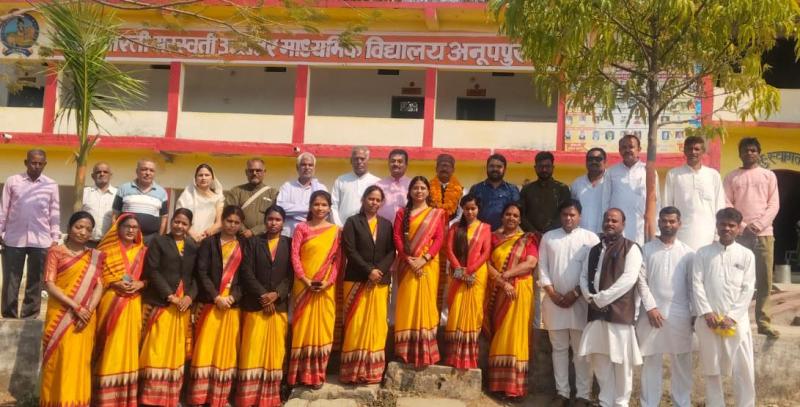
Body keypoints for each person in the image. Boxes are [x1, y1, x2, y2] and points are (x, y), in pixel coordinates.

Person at [578, 208, 643, 406]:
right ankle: (605, 401)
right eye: (607, 220)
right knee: (600, 359)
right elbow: (583, 276)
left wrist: (602, 298)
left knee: (622, 362)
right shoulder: (594, 250)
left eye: (615, 220)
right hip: (596, 312)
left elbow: (629, 279)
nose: (610, 223)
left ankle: (621, 402)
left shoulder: (631, 248)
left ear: (623, 224)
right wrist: (589, 297)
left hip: (619, 314)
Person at [39, 212, 103, 407]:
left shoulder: (94, 256)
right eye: (79, 227)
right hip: (61, 314)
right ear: (69, 227)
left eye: (88, 229)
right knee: (58, 360)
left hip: (85, 318)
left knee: (79, 361)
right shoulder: (56, 252)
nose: (83, 232)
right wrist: (76, 307)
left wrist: (88, 310)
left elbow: (99, 285)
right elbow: (50, 284)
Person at [693, 208, 756, 407]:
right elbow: (696, 283)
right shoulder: (703, 253)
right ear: (717, 225)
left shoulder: (746, 255)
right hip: (709, 321)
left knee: (743, 368)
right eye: (723, 224)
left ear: (738, 228)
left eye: (731, 225)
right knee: (711, 369)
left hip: (737, 322)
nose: (726, 228)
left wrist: (733, 316)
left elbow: (748, 288)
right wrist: (706, 312)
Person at [538, 200, 599, 407]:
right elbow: (543, 268)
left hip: (580, 303)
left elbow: (594, 271)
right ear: (560, 216)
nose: (568, 218)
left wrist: (576, 293)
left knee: (581, 352)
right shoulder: (549, 237)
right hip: (554, 302)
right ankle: (562, 393)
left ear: (579, 216)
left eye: (572, 215)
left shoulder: (590, 238)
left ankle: (583, 395)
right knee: (559, 349)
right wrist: (552, 293)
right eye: (565, 214)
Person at [139, 208, 199, 406]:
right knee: (156, 349)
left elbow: (197, 275)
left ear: (189, 226)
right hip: (162, 303)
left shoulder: (193, 246)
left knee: (176, 352)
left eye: (184, 223)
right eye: (176, 222)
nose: (179, 226)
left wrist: (190, 296)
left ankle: (170, 397)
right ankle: (150, 397)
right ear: (171, 221)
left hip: (182, 307)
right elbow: (153, 271)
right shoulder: (158, 241)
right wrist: (170, 296)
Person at [637, 207, 695, 407]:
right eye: (664, 221)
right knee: (651, 362)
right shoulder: (646, 249)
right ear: (659, 222)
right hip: (651, 314)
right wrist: (651, 308)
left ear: (679, 224)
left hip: (680, 314)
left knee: (682, 363)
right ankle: (649, 404)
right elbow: (641, 281)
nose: (668, 225)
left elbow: (692, 286)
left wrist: (694, 314)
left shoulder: (688, 253)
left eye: (672, 221)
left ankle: (682, 403)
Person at [189, 205, 247, 406]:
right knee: (205, 348)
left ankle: (219, 396)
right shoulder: (209, 243)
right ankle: (199, 397)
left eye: (236, 222)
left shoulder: (244, 244)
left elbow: (246, 275)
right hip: (210, 303)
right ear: (222, 221)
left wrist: (233, 297)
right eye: (229, 221)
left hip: (231, 305)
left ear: (241, 224)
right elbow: (201, 272)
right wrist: (216, 296)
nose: (232, 225)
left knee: (226, 351)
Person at [723, 137, 780, 339]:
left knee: (764, 279)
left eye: (753, 150)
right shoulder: (732, 177)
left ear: (759, 153)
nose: (749, 153)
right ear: (740, 153)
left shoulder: (768, 175)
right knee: (736, 279)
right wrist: (743, 226)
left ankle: (763, 322)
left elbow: (774, 204)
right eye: (745, 150)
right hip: (739, 236)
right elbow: (727, 203)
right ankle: (734, 319)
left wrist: (758, 225)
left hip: (764, 235)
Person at [340, 186, 396, 384]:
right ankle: (351, 372)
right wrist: (368, 271)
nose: (374, 202)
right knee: (355, 325)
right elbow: (349, 249)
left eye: (378, 200)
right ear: (363, 200)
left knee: (377, 325)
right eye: (371, 198)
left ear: (381, 203)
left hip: (380, 282)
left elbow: (392, 251)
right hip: (357, 279)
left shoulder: (386, 224)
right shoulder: (352, 222)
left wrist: (378, 270)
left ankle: (373, 372)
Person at [238, 205, 292, 406]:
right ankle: (248, 398)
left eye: (277, 220)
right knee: (252, 350)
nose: (273, 223)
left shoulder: (289, 243)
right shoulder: (252, 242)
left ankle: (270, 397)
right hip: (255, 304)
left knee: (275, 352)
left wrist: (276, 295)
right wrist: (263, 295)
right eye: (270, 219)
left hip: (278, 306)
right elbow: (246, 271)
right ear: (265, 221)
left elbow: (291, 275)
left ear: (283, 222)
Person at [484, 203, 539, 398]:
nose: (511, 218)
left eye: (515, 215)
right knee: (500, 334)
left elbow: (530, 263)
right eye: (508, 214)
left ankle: (515, 388)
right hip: (498, 291)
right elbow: (486, 262)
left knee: (517, 335)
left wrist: (507, 274)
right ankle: (498, 384)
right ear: (502, 217)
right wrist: (502, 282)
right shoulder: (492, 238)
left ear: (520, 219)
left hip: (520, 291)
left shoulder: (527, 239)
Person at [288, 191, 342, 388]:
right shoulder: (301, 228)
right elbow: (295, 255)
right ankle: (299, 375)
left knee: (323, 330)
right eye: (316, 204)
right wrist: (305, 279)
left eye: (324, 205)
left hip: (326, 287)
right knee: (302, 329)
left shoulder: (336, 231)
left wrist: (329, 281)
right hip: (303, 286)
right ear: (310, 207)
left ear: (329, 208)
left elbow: (337, 260)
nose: (320, 208)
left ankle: (317, 375)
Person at [94, 214, 147, 406]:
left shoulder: (143, 252)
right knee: (110, 345)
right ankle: (104, 397)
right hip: (111, 301)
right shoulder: (105, 251)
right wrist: (114, 282)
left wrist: (140, 284)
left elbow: (150, 276)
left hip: (133, 303)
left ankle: (125, 396)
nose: (131, 230)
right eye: (127, 226)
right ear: (118, 228)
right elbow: (97, 276)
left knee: (129, 346)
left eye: (135, 227)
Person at [392, 176, 446, 367]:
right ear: (410, 191)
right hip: (407, 265)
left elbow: (439, 238)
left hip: (428, 266)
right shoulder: (402, 213)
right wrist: (408, 259)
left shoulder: (436, 213)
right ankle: (404, 352)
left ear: (428, 191)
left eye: (423, 188)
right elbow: (397, 237)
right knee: (406, 305)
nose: (419, 191)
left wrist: (424, 259)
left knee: (426, 304)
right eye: (416, 188)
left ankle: (426, 352)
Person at [0, 149, 60, 319]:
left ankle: (29, 318)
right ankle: (9, 317)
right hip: (13, 239)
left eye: (40, 163)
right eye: (33, 163)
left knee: (36, 280)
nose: (37, 166)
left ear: (45, 164)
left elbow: (54, 212)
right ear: (26, 163)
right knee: (11, 280)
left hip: (41, 240)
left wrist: (55, 237)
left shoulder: (51, 185)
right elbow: (3, 209)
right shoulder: (13, 181)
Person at [443, 194, 491, 369]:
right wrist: (459, 270)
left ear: (478, 209)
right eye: (467, 208)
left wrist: (469, 271)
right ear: (462, 209)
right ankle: (452, 357)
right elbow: (448, 250)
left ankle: (468, 359)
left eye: (473, 208)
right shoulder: (455, 227)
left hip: (476, 275)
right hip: (457, 275)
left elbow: (486, 253)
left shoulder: (485, 228)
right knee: (455, 312)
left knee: (473, 313)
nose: (470, 212)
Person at [663, 136, 726, 250]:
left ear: (703, 151)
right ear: (684, 151)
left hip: (708, 234)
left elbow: (720, 206)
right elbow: (667, 205)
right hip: (681, 235)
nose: (693, 152)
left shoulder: (713, 175)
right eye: (690, 149)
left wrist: (717, 235)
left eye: (697, 149)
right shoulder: (674, 174)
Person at [603, 134, 658, 245]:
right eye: (624, 147)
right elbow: (605, 201)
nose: (627, 150)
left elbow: (656, 202)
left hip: (640, 228)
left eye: (631, 147)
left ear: (639, 149)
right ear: (619, 150)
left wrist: (655, 230)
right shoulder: (611, 172)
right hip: (617, 228)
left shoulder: (648, 171)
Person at [112, 159, 169, 244]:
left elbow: (164, 218)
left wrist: (159, 238)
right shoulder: (124, 188)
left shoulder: (162, 192)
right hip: (127, 238)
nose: (148, 173)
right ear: (137, 171)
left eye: (151, 170)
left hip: (150, 240)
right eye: (144, 169)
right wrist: (116, 235)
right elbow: (115, 215)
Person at [519, 151, 571, 235]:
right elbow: (521, 215)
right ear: (535, 168)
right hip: (531, 237)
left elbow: (565, 213)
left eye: (547, 166)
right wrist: (534, 232)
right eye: (541, 166)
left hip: (555, 236)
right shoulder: (526, 189)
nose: (544, 170)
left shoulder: (562, 189)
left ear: (553, 167)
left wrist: (548, 233)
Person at [276, 152, 328, 237]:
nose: (307, 168)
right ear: (297, 167)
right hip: (289, 234)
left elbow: (325, 212)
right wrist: (310, 209)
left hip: (313, 234)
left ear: (314, 168)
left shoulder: (321, 188)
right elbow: (280, 208)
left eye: (310, 165)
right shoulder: (287, 186)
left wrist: (293, 214)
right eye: (303, 165)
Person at [225, 158, 279, 238]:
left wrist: (254, 231)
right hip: (240, 238)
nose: (254, 173)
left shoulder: (273, 193)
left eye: (258, 170)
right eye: (251, 171)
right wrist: (243, 231)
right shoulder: (236, 191)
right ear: (246, 172)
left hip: (264, 239)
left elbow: (275, 218)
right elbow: (229, 213)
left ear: (264, 172)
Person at [331, 146, 381, 226]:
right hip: (343, 227)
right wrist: (339, 226)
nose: (359, 162)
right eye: (356, 159)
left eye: (362, 159)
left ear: (368, 160)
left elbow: (380, 207)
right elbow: (334, 205)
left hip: (369, 228)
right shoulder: (341, 180)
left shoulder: (377, 182)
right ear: (351, 161)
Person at [469, 154, 520, 231]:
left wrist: (501, 231)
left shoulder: (512, 190)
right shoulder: (476, 188)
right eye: (492, 166)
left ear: (504, 169)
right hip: (479, 233)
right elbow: (469, 212)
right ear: (487, 168)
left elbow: (516, 214)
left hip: (504, 234)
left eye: (499, 167)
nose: (495, 169)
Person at [177, 163, 225, 242]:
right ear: (195, 179)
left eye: (207, 175)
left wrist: (205, 235)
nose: (203, 178)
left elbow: (219, 222)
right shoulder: (187, 196)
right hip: (186, 239)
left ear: (212, 178)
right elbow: (179, 219)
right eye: (200, 175)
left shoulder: (218, 198)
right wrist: (193, 235)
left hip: (208, 240)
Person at [571, 148, 607, 234]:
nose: (594, 161)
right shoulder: (577, 183)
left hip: (605, 234)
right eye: (590, 159)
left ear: (605, 161)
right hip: (581, 234)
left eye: (598, 159)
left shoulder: (612, 181)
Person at [82, 162, 117, 246]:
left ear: (111, 175)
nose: (102, 174)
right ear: (92, 176)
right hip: (86, 243)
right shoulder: (84, 193)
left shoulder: (118, 195)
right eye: (98, 172)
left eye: (105, 172)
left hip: (109, 244)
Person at [376, 149, 411, 222]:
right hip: (383, 226)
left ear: (406, 164)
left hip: (406, 226)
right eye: (393, 161)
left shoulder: (412, 185)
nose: (396, 164)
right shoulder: (378, 185)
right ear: (388, 163)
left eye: (400, 161)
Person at [429, 153, 463, 223]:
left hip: (453, 227)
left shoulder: (461, 190)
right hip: (431, 225)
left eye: (447, 166)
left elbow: (460, 215)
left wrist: (449, 224)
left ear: (453, 170)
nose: (444, 169)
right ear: (436, 169)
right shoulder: (427, 188)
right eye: (442, 165)